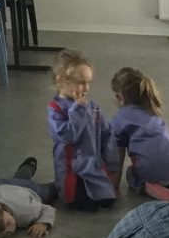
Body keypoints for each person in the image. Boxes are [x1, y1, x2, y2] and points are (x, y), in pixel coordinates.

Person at [47, 49, 119, 210]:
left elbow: (107, 134)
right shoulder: (55, 109)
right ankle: (59, 189)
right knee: (88, 205)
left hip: (93, 168)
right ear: (61, 80)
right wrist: (77, 110)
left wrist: (112, 165)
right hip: (72, 172)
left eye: (88, 82)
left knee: (108, 200)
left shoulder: (92, 107)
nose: (86, 88)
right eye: (80, 82)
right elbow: (68, 136)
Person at [109, 67, 169, 202]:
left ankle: (157, 189)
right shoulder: (152, 112)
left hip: (152, 172)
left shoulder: (119, 119)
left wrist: (114, 186)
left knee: (132, 174)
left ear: (120, 98)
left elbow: (117, 157)